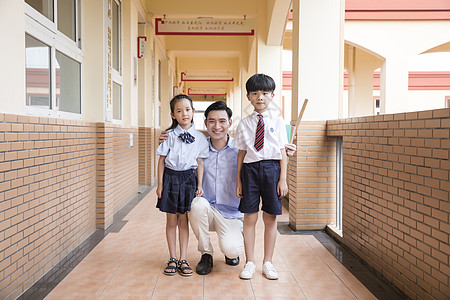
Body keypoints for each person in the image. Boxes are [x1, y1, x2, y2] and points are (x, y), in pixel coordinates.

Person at [158, 101, 296, 276]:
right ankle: (206, 253)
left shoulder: (242, 151)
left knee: (232, 249)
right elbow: (176, 153)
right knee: (196, 205)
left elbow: (267, 152)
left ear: (230, 123)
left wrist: (285, 150)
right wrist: (165, 139)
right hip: (207, 210)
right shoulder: (197, 146)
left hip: (232, 214)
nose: (217, 126)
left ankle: (230, 249)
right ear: (205, 123)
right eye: (212, 121)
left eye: (222, 121)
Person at [234, 73, 288, 280]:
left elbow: (282, 151)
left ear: (272, 95)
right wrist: (238, 180)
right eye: (255, 93)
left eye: (265, 93)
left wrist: (282, 179)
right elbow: (240, 153)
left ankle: (268, 262)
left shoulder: (278, 121)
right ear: (248, 97)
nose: (260, 97)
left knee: (270, 217)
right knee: (249, 217)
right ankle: (249, 262)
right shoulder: (244, 123)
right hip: (249, 171)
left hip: (272, 170)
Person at [156, 94, 209, 276]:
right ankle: (173, 258)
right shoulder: (168, 135)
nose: (184, 114)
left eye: (187, 109)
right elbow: (161, 161)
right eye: (179, 110)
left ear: (193, 112)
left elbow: (200, 163)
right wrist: (160, 184)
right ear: (173, 115)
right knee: (171, 220)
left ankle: (184, 258)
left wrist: (199, 185)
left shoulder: (200, 137)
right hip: (170, 178)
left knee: (183, 220)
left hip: (188, 180)